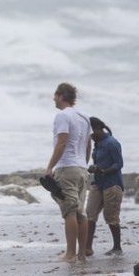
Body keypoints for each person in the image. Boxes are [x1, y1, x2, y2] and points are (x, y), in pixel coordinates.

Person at [45, 82, 92, 262]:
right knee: (81, 212)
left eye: (55, 96)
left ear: (60, 96)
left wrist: (50, 167)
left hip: (67, 167)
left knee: (69, 211)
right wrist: (83, 165)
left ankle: (70, 254)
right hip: (81, 168)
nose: (53, 99)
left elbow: (62, 143)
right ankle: (81, 254)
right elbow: (89, 145)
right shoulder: (84, 117)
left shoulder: (62, 116)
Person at [86, 116, 124, 256]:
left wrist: (102, 170)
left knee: (111, 216)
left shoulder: (111, 143)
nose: (89, 137)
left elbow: (119, 164)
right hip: (98, 183)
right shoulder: (98, 143)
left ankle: (117, 247)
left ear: (96, 129)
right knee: (90, 213)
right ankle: (87, 248)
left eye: (90, 133)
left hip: (112, 184)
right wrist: (94, 168)